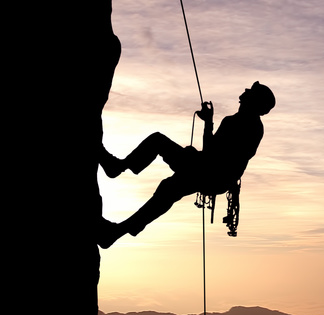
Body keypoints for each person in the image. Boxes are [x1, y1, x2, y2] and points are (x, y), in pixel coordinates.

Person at [98, 81, 275, 248]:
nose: (244, 92)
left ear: (254, 101)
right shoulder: (246, 124)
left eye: (249, 92)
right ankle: (116, 232)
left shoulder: (242, 124)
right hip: (213, 175)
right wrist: (206, 130)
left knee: (159, 146)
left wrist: (208, 124)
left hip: (210, 174)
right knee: (167, 188)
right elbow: (214, 153)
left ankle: (117, 170)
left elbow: (213, 153)